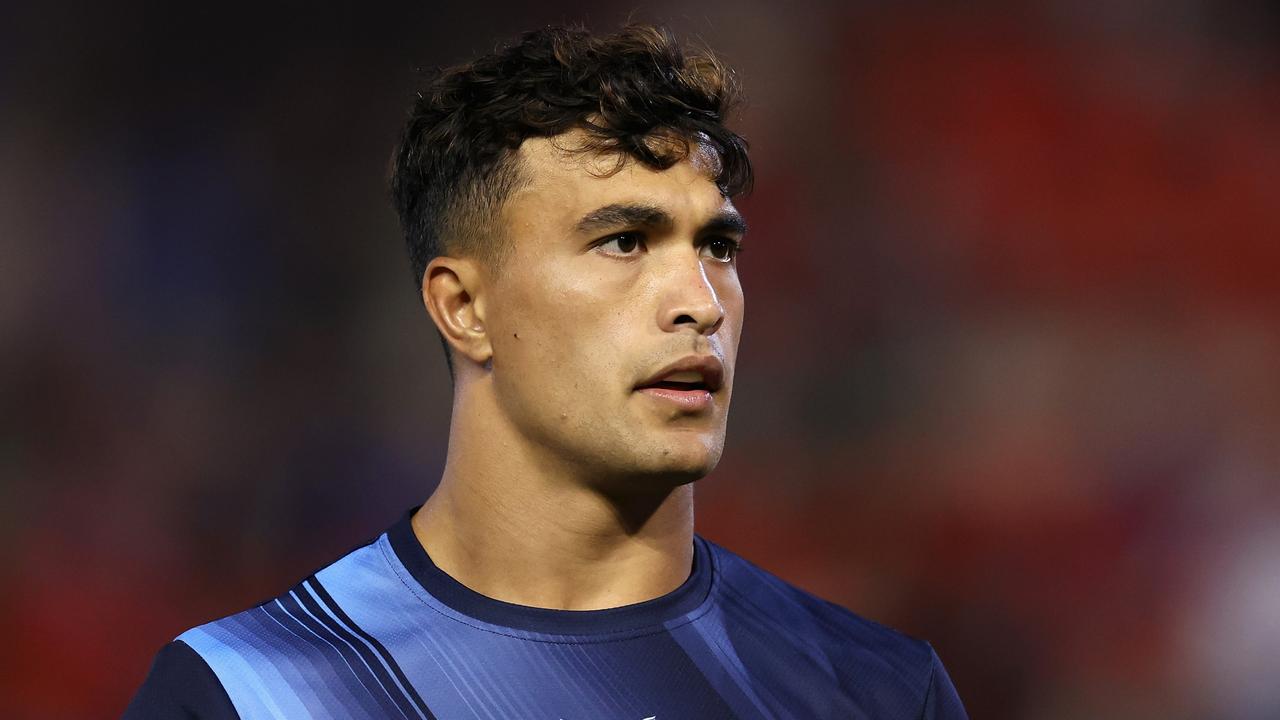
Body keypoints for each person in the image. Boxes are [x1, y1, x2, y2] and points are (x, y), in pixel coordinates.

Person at [124, 23, 967, 719]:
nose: (701, 302)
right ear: (463, 307)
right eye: (623, 241)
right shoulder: (253, 695)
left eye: (717, 245)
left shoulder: (878, 692)